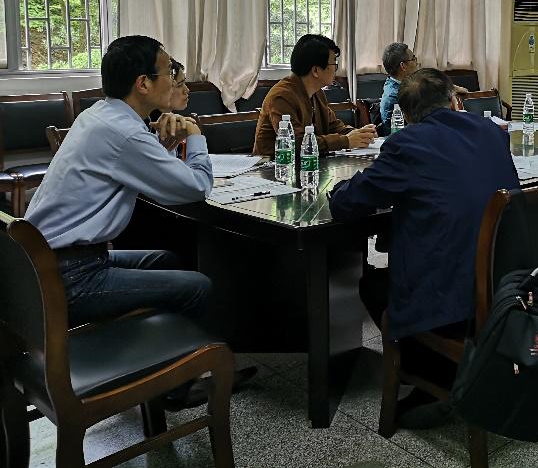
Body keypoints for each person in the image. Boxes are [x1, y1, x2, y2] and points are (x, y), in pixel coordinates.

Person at [25, 35, 255, 408]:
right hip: (72, 277)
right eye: (170, 71)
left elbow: (133, 165)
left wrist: (162, 147)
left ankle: (164, 363)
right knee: (198, 287)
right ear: (143, 83)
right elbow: (195, 187)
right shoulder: (124, 131)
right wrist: (195, 135)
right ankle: (176, 388)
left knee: (165, 260)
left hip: (48, 263)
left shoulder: (100, 115)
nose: (175, 78)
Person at [329, 68, 519, 423]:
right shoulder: (492, 132)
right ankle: (444, 365)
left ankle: (435, 373)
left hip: (451, 293)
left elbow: (349, 203)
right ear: (454, 100)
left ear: (408, 115)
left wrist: (338, 189)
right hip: (506, 280)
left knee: (372, 284)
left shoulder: (407, 144)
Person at [253, 34, 376, 155]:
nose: (335, 70)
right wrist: (345, 141)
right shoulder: (281, 97)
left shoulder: (317, 93)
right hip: (274, 165)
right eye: (334, 65)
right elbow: (296, 143)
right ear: (316, 71)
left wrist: (361, 134)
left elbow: (334, 126)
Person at [379, 42, 469, 134]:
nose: (417, 63)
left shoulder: (395, 85)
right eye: (413, 59)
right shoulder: (398, 96)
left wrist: (451, 88)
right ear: (403, 66)